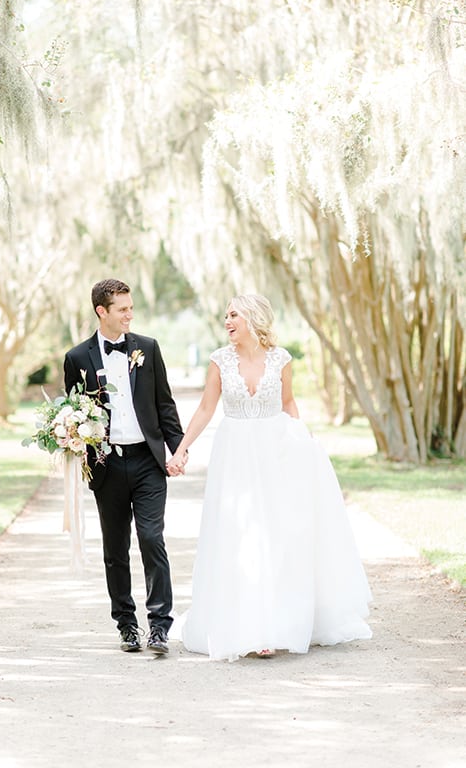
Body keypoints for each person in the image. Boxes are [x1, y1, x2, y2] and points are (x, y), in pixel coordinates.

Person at [167, 293, 372, 661]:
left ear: (252, 317)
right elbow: (205, 409)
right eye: (225, 315)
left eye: (233, 315)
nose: (227, 321)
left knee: (275, 537)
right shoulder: (219, 361)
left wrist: (302, 440)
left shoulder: (281, 359)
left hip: (277, 453)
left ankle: (274, 624)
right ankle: (248, 627)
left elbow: (289, 402)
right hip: (234, 458)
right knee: (239, 537)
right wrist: (182, 449)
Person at [64, 278, 185, 655]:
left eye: (131, 307)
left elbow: (164, 404)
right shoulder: (77, 358)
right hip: (107, 466)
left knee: (152, 539)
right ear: (102, 312)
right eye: (122, 309)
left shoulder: (148, 348)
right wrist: (72, 441)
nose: (129, 314)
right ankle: (127, 626)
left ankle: (160, 625)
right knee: (115, 549)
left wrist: (178, 449)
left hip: (148, 461)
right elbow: (71, 411)